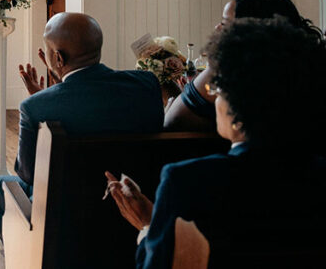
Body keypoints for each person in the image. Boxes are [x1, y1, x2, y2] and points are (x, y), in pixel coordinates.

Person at [105, 17, 326, 267]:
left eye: (216, 89)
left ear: (236, 106)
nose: (214, 98)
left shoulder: (187, 183)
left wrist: (148, 227)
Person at [0, 12, 164, 239]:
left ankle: (21, 256)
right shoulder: (146, 84)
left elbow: (26, 174)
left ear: (58, 59)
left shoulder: (35, 107)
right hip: (134, 208)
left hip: (65, 222)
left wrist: (46, 101)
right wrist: (55, 92)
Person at [164, 0, 322, 131]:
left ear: (251, 30)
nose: (218, 27)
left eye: (226, 22)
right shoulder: (305, 69)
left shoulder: (232, 67)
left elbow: (172, 120)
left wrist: (171, 106)